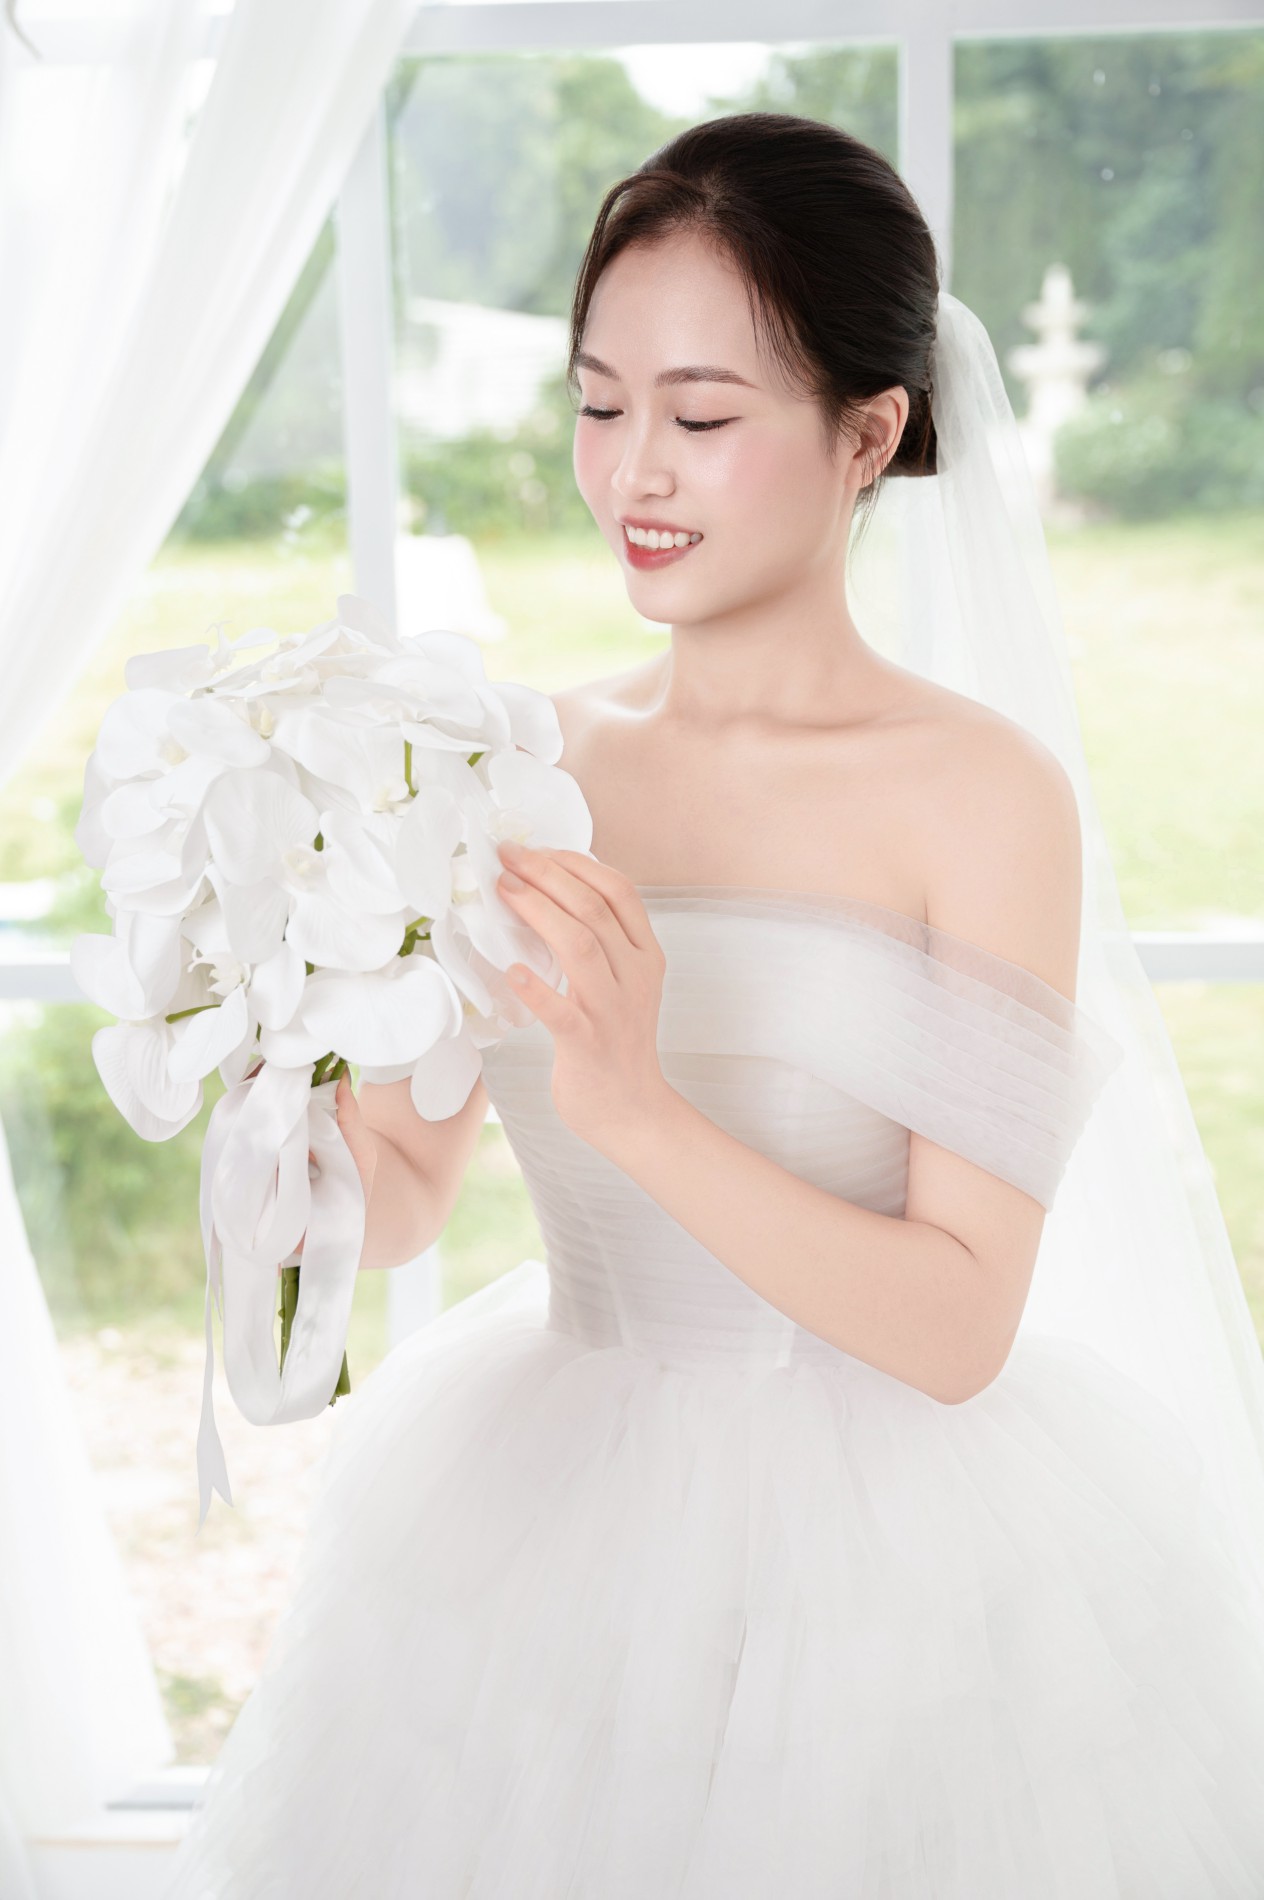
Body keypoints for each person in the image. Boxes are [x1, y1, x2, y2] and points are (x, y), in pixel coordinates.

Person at [163, 112, 1264, 1897]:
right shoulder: (515, 761)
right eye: (600, 406)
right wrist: (279, 1078)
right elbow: (407, 1197)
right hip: (542, 1523)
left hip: (901, 1581)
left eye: (701, 416)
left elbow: (958, 1326)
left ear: (869, 434)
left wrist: (641, 1111)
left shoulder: (978, 797)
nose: (632, 476)